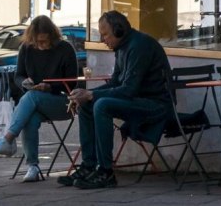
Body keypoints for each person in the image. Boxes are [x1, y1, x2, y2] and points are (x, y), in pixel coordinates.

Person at [57, 11, 173, 190]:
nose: (103, 40)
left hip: (156, 105)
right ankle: (88, 166)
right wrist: (84, 94)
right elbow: (114, 83)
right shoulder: (122, 47)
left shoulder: (139, 46)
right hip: (138, 101)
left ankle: (106, 171)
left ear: (119, 30)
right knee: (87, 105)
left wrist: (91, 95)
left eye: (105, 34)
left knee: (102, 105)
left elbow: (129, 90)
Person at [0, 15, 80, 182]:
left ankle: (8, 140)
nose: (42, 45)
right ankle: (32, 166)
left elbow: (72, 82)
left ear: (53, 37)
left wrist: (50, 87)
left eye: (45, 41)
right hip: (36, 102)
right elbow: (18, 75)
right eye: (38, 42)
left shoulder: (65, 49)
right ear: (32, 38)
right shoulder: (27, 48)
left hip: (64, 102)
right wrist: (24, 82)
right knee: (30, 118)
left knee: (32, 97)